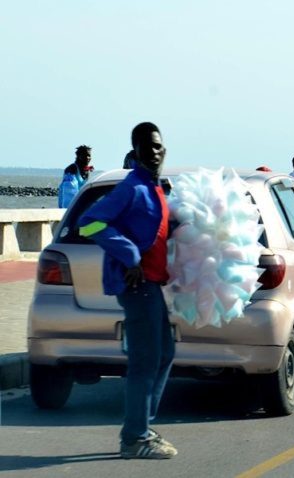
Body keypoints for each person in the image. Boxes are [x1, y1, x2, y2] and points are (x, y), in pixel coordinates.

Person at [78, 122, 177, 460]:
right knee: (145, 361)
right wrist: (128, 254)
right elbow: (89, 222)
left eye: (158, 145)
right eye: (147, 146)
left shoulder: (154, 188)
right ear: (135, 152)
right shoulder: (132, 187)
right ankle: (135, 437)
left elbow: (156, 229)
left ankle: (142, 428)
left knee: (164, 354)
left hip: (153, 284)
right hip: (138, 286)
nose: (154, 151)